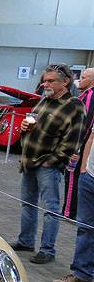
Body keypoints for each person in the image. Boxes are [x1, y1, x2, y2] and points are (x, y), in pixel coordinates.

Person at [13, 64, 86, 264]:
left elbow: (74, 140)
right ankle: (26, 240)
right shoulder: (44, 101)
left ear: (65, 82)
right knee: (27, 204)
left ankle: (48, 249)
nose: (46, 84)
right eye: (45, 80)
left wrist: (52, 162)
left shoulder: (74, 106)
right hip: (29, 162)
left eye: (51, 81)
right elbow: (31, 124)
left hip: (48, 166)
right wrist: (24, 127)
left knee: (51, 209)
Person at [52, 127, 94, 282]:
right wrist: (83, 169)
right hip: (89, 177)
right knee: (85, 228)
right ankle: (82, 276)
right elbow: (91, 137)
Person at [63, 68, 94, 219]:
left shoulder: (90, 96)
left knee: (71, 178)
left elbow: (84, 123)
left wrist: (76, 148)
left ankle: (68, 212)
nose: (80, 80)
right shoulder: (86, 95)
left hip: (78, 147)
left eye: (83, 77)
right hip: (80, 146)